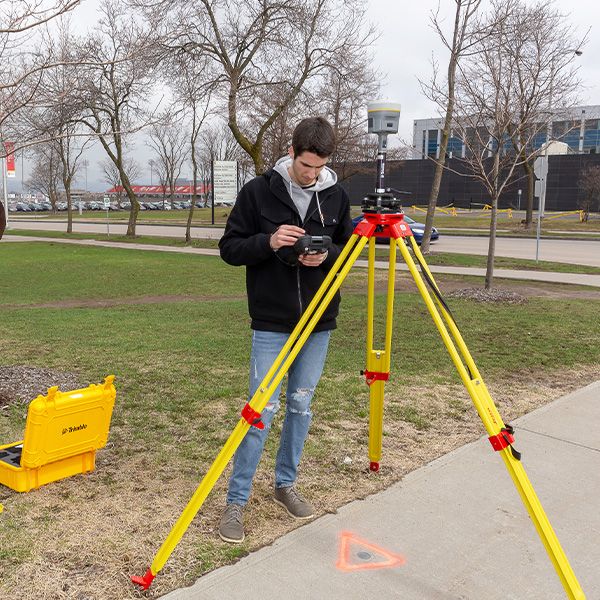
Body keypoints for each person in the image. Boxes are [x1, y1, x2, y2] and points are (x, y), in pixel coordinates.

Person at [217, 116, 353, 543]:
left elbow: (347, 249)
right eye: (306, 166)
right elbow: (230, 249)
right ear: (292, 153)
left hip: (319, 322)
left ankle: (284, 485)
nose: (312, 175)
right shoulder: (258, 191)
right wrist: (270, 242)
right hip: (272, 323)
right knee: (261, 412)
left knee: (300, 407)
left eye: (319, 167)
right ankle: (236, 502)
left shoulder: (336, 196)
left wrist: (324, 254)